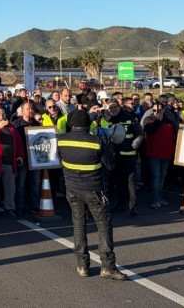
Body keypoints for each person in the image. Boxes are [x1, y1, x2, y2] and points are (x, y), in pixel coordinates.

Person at [57, 110, 126, 280]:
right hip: (94, 189)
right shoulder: (96, 141)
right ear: (89, 124)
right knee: (103, 225)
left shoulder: (61, 140)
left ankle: (82, 266)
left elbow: (61, 161)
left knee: (79, 225)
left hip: (72, 188)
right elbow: (110, 165)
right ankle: (108, 266)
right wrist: (107, 142)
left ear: (71, 124)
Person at [143, 102, 174, 209]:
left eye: (159, 110)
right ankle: (155, 199)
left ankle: (160, 197)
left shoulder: (168, 120)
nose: (157, 112)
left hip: (166, 153)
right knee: (156, 177)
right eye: (155, 110)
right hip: (154, 153)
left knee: (162, 177)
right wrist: (157, 120)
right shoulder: (149, 120)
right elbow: (149, 131)